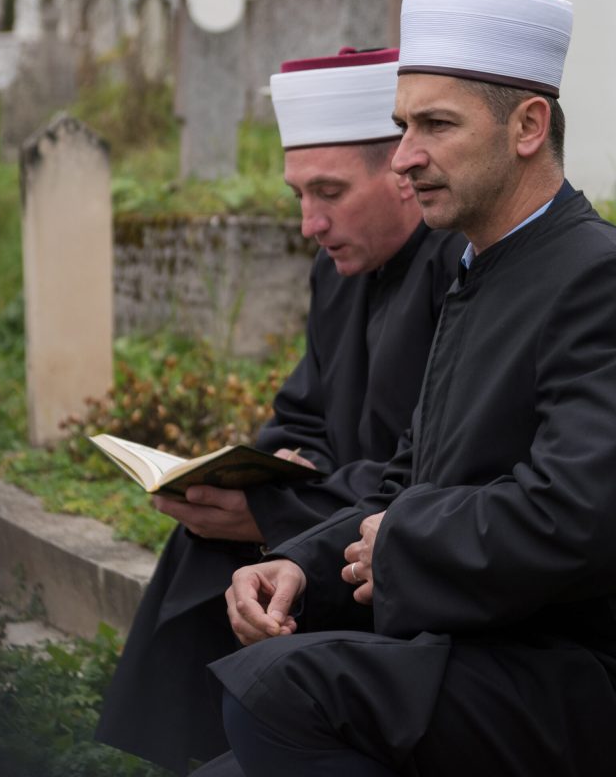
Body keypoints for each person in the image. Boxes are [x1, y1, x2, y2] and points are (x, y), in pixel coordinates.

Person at [209, 0, 616, 777]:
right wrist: (302, 563)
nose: (405, 158)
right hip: (473, 647)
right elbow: (410, 476)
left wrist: (404, 545)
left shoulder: (592, 275)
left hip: (565, 672)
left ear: (528, 125)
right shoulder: (478, 267)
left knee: (277, 692)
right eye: (402, 127)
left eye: (435, 125)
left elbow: (581, 511)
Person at [95, 48, 464, 774]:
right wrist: (255, 475)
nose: (309, 224)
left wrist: (279, 513)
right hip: (335, 505)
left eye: (328, 192)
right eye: (298, 194)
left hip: (389, 541)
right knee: (206, 539)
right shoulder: (336, 269)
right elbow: (302, 413)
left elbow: (431, 467)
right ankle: (197, 750)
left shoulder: (456, 271)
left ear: (401, 173)